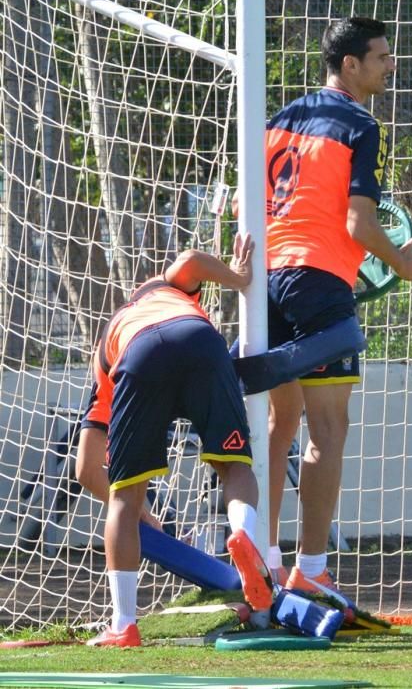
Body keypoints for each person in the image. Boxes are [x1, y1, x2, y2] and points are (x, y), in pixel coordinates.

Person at [263, 17, 412, 592]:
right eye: (382, 57)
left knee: (277, 425)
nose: (390, 65)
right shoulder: (361, 122)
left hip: (265, 281)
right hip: (316, 281)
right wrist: (401, 263)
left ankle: (263, 560)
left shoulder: (280, 118)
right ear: (350, 64)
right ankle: (309, 572)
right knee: (327, 429)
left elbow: (240, 205)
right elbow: (359, 222)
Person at [77, 233, 272, 647]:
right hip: (200, 340)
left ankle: (124, 624)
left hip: (138, 353)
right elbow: (189, 259)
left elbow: (86, 465)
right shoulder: (170, 290)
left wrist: (138, 510)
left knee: (123, 498)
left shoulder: (108, 341)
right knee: (235, 465)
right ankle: (244, 539)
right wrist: (237, 277)